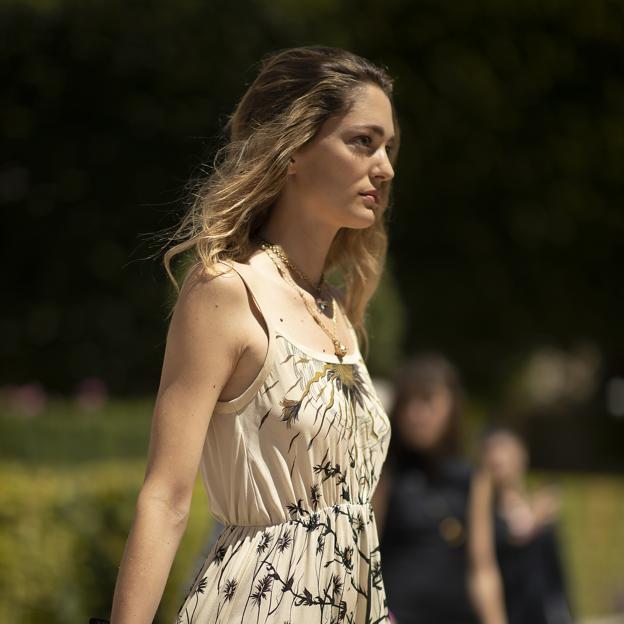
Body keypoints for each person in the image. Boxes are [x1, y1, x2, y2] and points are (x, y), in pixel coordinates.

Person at [107, 45, 400, 624]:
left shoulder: (338, 310)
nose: (385, 167)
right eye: (363, 142)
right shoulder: (224, 291)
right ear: (292, 150)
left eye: (389, 147)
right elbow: (165, 497)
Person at [373, 353, 507, 624]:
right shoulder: (386, 471)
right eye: (408, 402)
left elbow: (482, 569)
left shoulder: (473, 477)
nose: (416, 414)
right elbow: (367, 555)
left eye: (427, 401)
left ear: (452, 406)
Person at [479, 427, 573, 624]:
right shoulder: (484, 517)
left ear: (522, 455)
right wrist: (529, 520)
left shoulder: (542, 509)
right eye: (491, 450)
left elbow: (557, 577)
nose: (497, 456)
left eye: (504, 447)